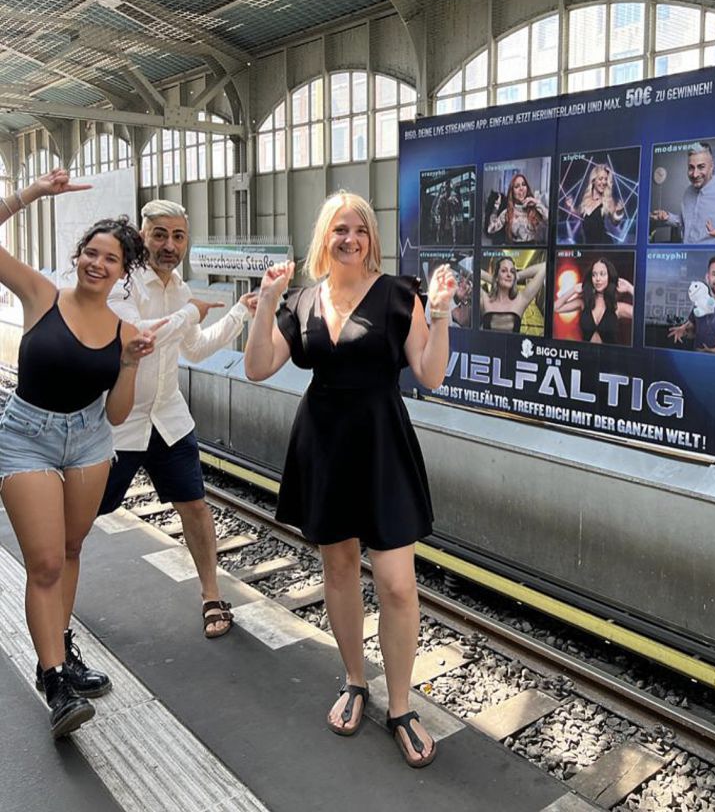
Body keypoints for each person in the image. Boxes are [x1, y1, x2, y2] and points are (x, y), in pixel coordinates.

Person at [244, 191, 454, 768]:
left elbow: (430, 374)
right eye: (340, 229)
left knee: (397, 584)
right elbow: (257, 366)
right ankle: (355, 680)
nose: (350, 239)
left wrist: (440, 315)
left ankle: (401, 706)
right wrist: (266, 303)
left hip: (382, 445)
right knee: (338, 568)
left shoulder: (398, 296)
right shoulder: (301, 301)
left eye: (360, 229)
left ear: (371, 239)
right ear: (324, 238)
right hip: (325, 445)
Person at [0, 170, 160, 738]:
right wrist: (33, 193)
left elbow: (116, 415)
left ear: (123, 271)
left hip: (90, 440)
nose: (97, 263)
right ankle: (54, 682)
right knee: (44, 562)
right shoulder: (41, 295)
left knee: (70, 548)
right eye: (91, 253)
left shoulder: (123, 331)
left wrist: (131, 363)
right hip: (27, 437)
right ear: (78, 257)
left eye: (110, 258)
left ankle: (60, 649)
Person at [98, 199, 256, 639]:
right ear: (142, 236)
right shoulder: (123, 283)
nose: (169, 245)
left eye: (178, 236)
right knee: (85, 514)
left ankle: (212, 596)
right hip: (120, 424)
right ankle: (55, 596)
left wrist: (240, 311)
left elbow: (195, 349)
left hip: (168, 418)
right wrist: (190, 313)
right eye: (160, 234)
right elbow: (140, 338)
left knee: (195, 507)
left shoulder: (181, 289)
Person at [650, 143, 715, 244]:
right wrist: (668, 217)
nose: (695, 174)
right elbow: (686, 222)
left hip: (709, 254)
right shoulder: (688, 192)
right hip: (686, 253)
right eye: (691, 167)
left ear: (712, 167)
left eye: (701, 167)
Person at [668, 255, 715, 354]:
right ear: (707, 278)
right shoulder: (699, 305)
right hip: (696, 362)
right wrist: (685, 331)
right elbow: (693, 331)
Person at [554, 258, 633, 344]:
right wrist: (573, 290)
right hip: (585, 352)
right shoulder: (584, 302)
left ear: (609, 277)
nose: (597, 279)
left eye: (602, 274)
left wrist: (630, 288)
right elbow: (556, 307)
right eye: (594, 275)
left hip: (609, 352)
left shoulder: (617, 307)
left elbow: (643, 316)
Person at [479, 255, 545, 332]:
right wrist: (494, 280)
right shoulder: (485, 299)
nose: (509, 274)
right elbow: (472, 270)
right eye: (504, 271)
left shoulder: (520, 300)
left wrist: (517, 276)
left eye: (512, 271)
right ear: (496, 275)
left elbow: (543, 267)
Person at [486, 173, 548, 244]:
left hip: (533, 249)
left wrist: (537, 203)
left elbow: (551, 222)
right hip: (514, 249)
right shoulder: (507, 213)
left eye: (523, 184)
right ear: (512, 192)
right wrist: (495, 208)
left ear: (527, 188)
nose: (521, 188)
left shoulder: (534, 210)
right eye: (517, 186)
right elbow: (490, 229)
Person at [575, 164, 624, 244]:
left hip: (603, 246)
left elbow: (615, 222)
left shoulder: (608, 200)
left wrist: (619, 213)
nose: (604, 182)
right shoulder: (585, 199)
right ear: (593, 180)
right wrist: (570, 208)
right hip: (588, 246)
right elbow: (579, 218)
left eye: (606, 179)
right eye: (600, 179)